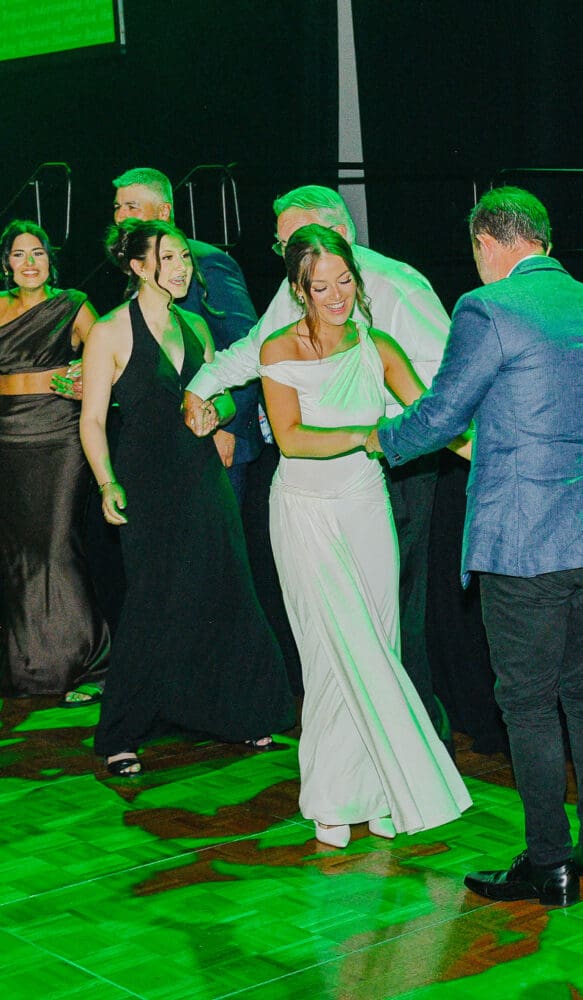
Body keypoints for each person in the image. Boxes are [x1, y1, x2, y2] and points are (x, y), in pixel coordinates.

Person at [376, 186, 583, 907]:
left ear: (488, 243)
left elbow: (441, 414)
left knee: (526, 702)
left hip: (526, 538)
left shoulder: (487, 307)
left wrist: (381, 439)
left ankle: (550, 864)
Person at [184, 185, 452, 747]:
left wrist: (390, 431)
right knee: (331, 631)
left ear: (343, 236)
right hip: (311, 491)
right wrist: (201, 385)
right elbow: (254, 352)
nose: (294, 256)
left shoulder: (399, 288)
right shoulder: (296, 289)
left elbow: (441, 390)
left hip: (394, 469)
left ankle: (415, 744)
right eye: (285, 247)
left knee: (392, 618)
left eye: (301, 242)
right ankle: (357, 747)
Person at [259, 225, 469, 847]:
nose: (336, 296)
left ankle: (379, 791)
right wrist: (366, 434)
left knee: (379, 642)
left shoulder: (378, 346)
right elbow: (291, 437)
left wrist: (491, 459)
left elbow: (433, 422)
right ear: (300, 290)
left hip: (366, 506)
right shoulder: (278, 349)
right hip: (304, 511)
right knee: (329, 653)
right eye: (320, 286)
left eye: (344, 281)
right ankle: (330, 795)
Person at [79, 218, 293, 776]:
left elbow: (227, 396)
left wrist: (214, 411)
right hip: (145, 481)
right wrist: (107, 482)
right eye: (168, 258)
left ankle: (241, 713)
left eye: (185, 258)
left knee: (226, 588)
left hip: (201, 477)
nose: (181, 268)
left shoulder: (195, 324)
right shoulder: (110, 331)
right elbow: (93, 419)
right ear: (138, 266)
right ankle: (123, 733)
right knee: (153, 599)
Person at [0, 221, 109, 701]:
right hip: (7, 436)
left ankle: (89, 663)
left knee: (58, 545)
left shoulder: (73, 304)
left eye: (38, 253)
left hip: (60, 435)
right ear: (6, 263)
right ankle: (29, 667)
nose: (29, 263)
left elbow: (111, 354)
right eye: (19, 254)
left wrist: (87, 375)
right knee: (18, 553)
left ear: (50, 260)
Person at [111, 168, 262, 503]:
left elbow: (247, 346)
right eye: (118, 207)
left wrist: (228, 427)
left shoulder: (206, 263)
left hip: (214, 431)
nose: (121, 216)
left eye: (132, 206)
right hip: (164, 442)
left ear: (164, 211)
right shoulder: (137, 269)